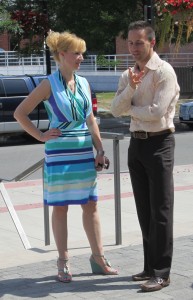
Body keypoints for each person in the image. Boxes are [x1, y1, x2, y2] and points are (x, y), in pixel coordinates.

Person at [14, 31, 118, 283]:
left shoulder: (83, 82)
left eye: (82, 52)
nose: (81, 57)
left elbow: (91, 120)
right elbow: (20, 113)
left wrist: (100, 150)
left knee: (91, 205)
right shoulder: (48, 84)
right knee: (60, 208)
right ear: (61, 55)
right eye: (77, 53)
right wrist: (40, 136)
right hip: (59, 154)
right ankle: (63, 261)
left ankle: (98, 258)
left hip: (83, 153)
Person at [111, 21, 180, 292]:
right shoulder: (128, 75)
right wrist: (130, 91)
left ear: (152, 42)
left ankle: (162, 272)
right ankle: (150, 267)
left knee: (161, 211)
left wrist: (130, 108)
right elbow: (116, 109)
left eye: (139, 42)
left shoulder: (165, 72)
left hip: (160, 143)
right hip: (136, 145)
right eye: (130, 42)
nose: (133, 48)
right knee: (144, 210)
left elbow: (156, 112)